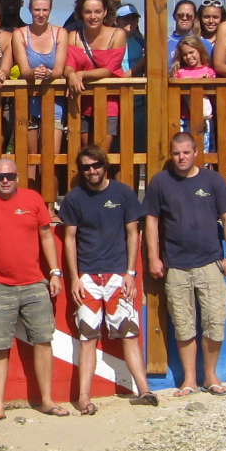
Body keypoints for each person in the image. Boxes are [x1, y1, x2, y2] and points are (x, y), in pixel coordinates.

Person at [0, 157, 64, 424]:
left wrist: (55, 272)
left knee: (43, 340)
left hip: (34, 284)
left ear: (18, 177)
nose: (4, 180)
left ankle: (47, 400)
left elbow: (47, 237)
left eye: (9, 176)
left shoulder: (33, 200)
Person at [59, 145, 154, 411]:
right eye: (86, 167)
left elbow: (133, 233)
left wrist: (131, 273)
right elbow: (69, 239)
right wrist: (75, 278)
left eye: (96, 165)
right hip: (88, 277)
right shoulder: (74, 198)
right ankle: (84, 398)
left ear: (105, 165)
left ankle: (144, 390)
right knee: (88, 337)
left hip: (117, 276)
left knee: (129, 334)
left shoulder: (123, 193)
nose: (92, 171)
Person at [143, 131, 226, 397]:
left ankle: (211, 376)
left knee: (214, 321)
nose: (181, 157)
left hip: (210, 263)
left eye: (186, 152)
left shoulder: (212, 180)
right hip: (176, 265)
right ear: (171, 154)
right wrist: (153, 256)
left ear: (196, 152)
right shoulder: (161, 182)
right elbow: (151, 221)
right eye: (176, 153)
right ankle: (189, 380)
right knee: (183, 324)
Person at [13, 0, 67, 173]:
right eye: (37, 10)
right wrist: (34, 73)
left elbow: (59, 69)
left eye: (44, 10)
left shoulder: (60, 33)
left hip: (54, 101)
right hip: (28, 101)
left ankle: (49, 201)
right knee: (30, 156)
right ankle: (31, 199)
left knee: (52, 154)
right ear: (29, 9)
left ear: (50, 10)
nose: (41, 14)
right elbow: (24, 70)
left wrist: (48, 73)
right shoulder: (20, 34)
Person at [64, 0, 127, 146]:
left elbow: (110, 70)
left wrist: (81, 74)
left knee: (101, 154)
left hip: (109, 102)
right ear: (81, 13)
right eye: (88, 12)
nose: (93, 16)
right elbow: (67, 66)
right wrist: (71, 74)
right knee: (85, 154)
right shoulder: (73, 36)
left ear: (105, 12)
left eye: (97, 11)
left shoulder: (117, 34)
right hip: (80, 102)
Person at [114, 4, 145, 75]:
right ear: (116, 21)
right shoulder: (110, 44)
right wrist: (143, 60)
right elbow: (120, 77)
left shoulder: (142, 43)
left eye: (133, 18)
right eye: (125, 18)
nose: (130, 21)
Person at [166, 0, 198, 67]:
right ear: (174, 16)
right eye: (180, 15)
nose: (184, 18)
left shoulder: (203, 44)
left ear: (195, 18)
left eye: (189, 16)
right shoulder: (163, 44)